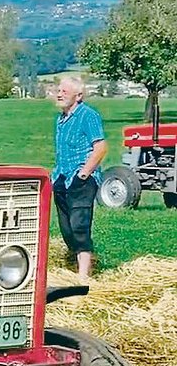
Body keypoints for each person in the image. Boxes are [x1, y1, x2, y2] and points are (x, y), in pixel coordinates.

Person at [51, 76, 107, 279]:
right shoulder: (61, 119)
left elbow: (100, 147)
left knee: (79, 226)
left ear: (79, 95)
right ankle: (75, 265)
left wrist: (84, 173)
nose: (59, 94)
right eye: (58, 91)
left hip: (81, 178)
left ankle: (83, 276)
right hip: (61, 177)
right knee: (66, 229)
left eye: (64, 92)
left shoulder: (88, 115)